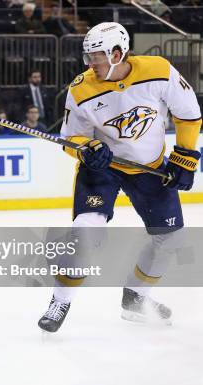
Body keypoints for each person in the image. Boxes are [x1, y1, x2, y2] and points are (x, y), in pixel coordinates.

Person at [37, 22, 202, 333]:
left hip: (150, 168)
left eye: (96, 56)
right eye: (87, 57)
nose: (90, 64)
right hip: (103, 170)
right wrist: (88, 149)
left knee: (170, 238)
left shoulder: (158, 70)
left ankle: (136, 298)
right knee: (86, 235)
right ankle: (60, 300)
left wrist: (185, 158)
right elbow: (72, 138)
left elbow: (189, 114)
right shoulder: (81, 88)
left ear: (118, 52)